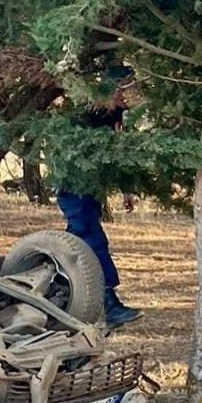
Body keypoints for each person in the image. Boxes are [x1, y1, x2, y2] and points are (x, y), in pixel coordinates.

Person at [57, 67, 143, 328]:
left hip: (90, 187)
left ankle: (62, 293)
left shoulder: (115, 113)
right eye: (124, 89)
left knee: (75, 242)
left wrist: (126, 189)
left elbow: (117, 149)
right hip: (74, 184)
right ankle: (108, 303)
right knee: (91, 240)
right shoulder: (85, 112)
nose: (127, 96)